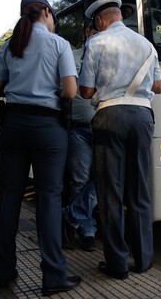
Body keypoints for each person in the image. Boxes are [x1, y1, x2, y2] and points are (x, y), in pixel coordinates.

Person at [0, 0, 81, 295]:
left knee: (9, 196)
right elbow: (69, 91)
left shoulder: (9, 45)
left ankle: (4, 271)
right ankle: (53, 276)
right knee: (49, 198)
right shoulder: (58, 44)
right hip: (47, 127)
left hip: (12, 125)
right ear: (46, 13)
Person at [79, 0, 161, 280]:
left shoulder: (96, 43)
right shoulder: (147, 45)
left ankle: (117, 263)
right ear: (119, 16)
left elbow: (86, 92)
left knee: (110, 191)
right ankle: (143, 259)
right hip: (142, 117)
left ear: (101, 21)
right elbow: (159, 86)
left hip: (110, 117)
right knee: (139, 189)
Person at [62, 21, 98, 252]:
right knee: (80, 179)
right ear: (88, 33)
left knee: (104, 177)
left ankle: (71, 216)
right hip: (79, 129)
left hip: (105, 127)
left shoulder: (109, 56)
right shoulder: (71, 56)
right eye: (98, 32)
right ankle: (86, 230)